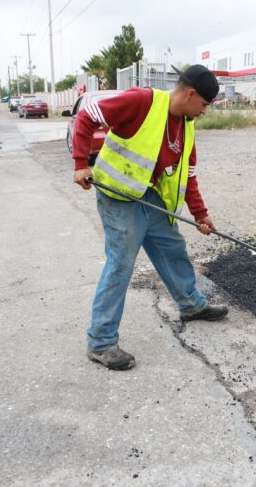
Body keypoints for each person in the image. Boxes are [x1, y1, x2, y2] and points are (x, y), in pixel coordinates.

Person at [72, 64, 228, 371]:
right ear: (191, 94)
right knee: (120, 265)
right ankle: (101, 342)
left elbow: (188, 175)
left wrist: (201, 214)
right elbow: (86, 117)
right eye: (205, 104)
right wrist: (81, 162)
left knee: (173, 249)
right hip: (119, 197)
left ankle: (190, 305)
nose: (205, 111)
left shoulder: (187, 123)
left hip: (151, 196)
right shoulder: (142, 101)